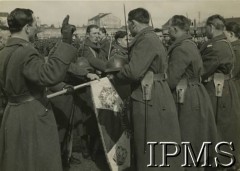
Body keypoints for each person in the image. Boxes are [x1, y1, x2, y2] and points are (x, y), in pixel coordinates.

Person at [0, 8, 77, 171]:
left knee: (17, 160)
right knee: (38, 160)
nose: (37, 28)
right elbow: (49, 75)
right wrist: (66, 41)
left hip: (11, 112)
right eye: (36, 24)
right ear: (27, 28)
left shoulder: (4, 52)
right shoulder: (26, 52)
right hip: (32, 114)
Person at [112, 8, 183, 171]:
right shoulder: (151, 38)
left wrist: (117, 77)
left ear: (133, 23)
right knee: (159, 137)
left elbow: (134, 71)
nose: (128, 28)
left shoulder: (145, 40)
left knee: (148, 137)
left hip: (149, 94)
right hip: (155, 91)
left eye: (129, 25)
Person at [166, 15, 218, 169]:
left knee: (188, 134)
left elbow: (172, 79)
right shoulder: (189, 44)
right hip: (195, 92)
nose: (167, 30)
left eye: (169, 27)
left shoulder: (181, 48)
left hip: (186, 95)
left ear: (175, 29)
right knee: (197, 134)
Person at [200, 14, 240, 169]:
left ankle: (222, 162)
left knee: (220, 126)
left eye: (206, 27)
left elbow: (202, 71)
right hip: (222, 88)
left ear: (210, 27)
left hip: (218, 91)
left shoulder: (216, 47)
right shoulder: (222, 43)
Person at [225, 22, 240, 99]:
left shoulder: (235, 50)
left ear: (231, 34)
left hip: (235, 89)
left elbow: (232, 73)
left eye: (224, 34)